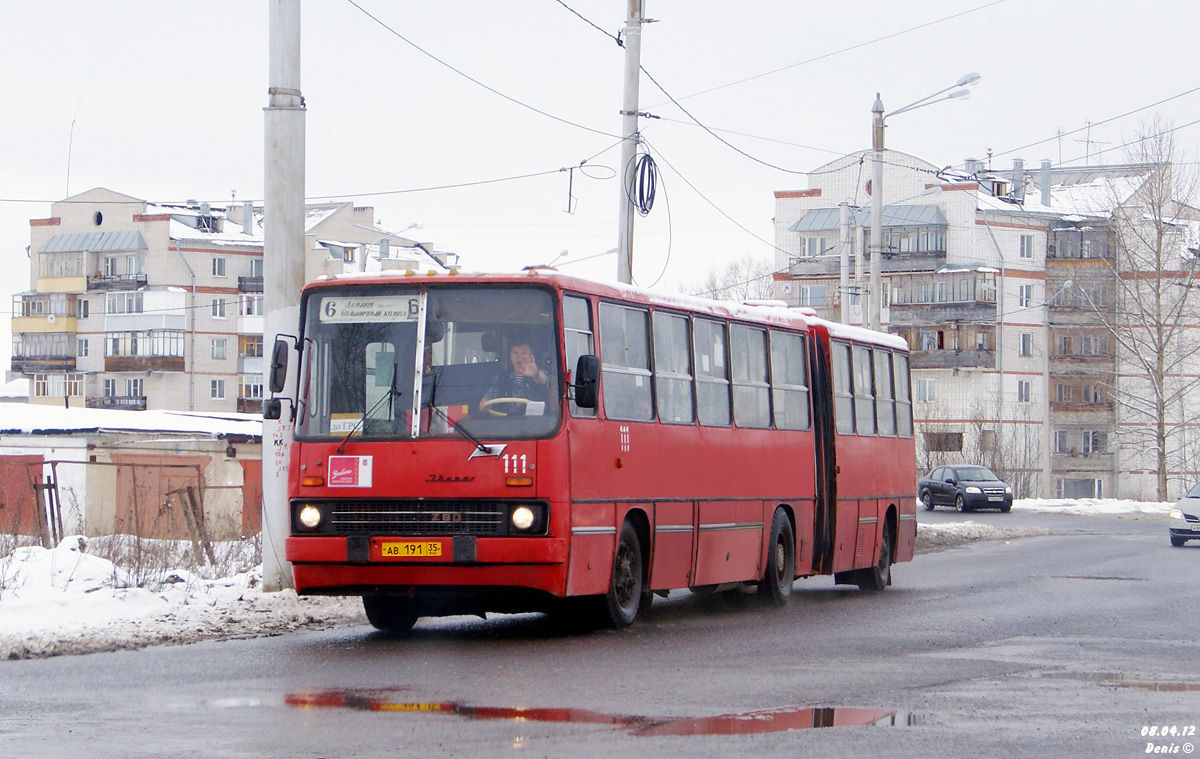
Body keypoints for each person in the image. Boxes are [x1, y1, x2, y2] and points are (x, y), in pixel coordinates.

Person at [479, 341, 553, 413]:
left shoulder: (539, 373)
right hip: (507, 422)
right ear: (511, 356)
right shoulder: (502, 376)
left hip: (536, 423)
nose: (519, 358)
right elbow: (489, 396)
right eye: (515, 353)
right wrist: (485, 402)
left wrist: (536, 374)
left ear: (531, 357)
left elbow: (543, 380)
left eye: (524, 353)